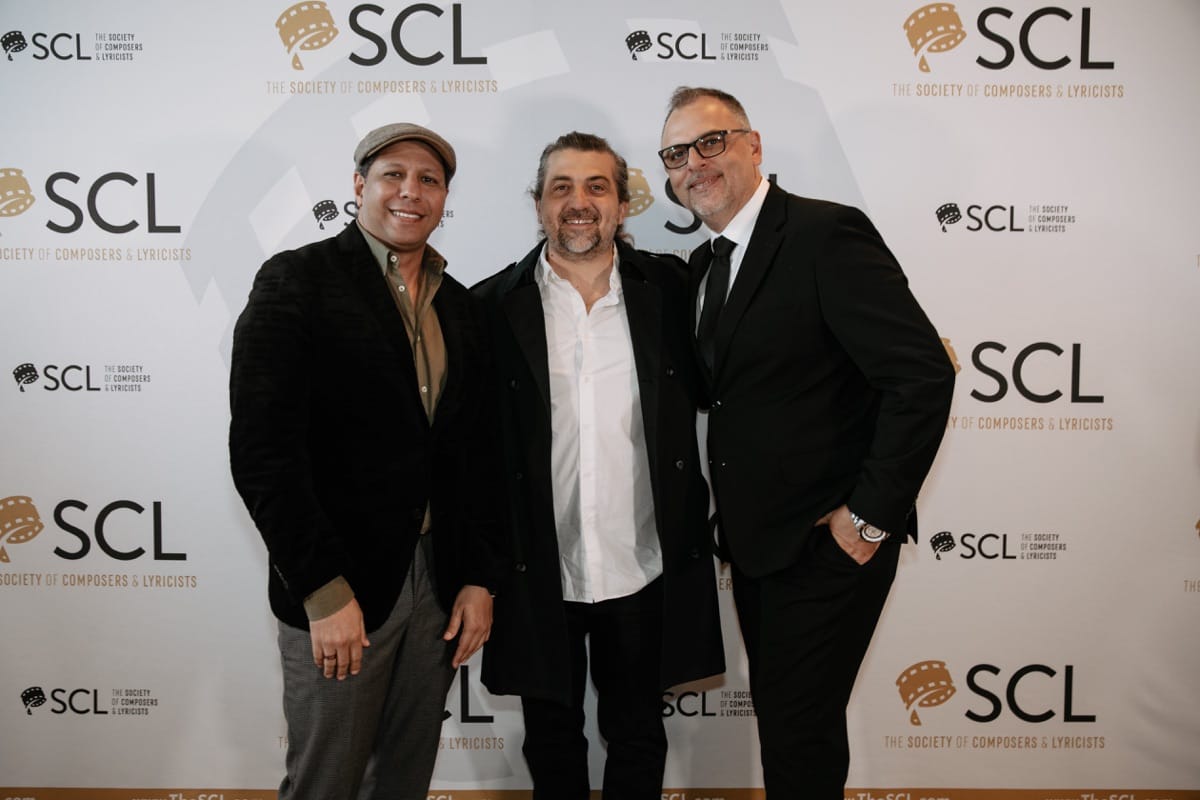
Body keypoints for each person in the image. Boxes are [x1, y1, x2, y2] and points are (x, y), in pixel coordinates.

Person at [658, 87, 955, 796]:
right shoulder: (703, 266)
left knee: (798, 738)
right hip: (755, 546)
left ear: (753, 145)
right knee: (794, 733)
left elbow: (921, 376)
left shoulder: (825, 234)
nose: (695, 163)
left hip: (827, 545)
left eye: (711, 142)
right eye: (676, 153)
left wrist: (869, 519)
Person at [229, 122, 505, 800]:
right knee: (327, 782)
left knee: (404, 779)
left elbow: (474, 456)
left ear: (444, 198)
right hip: (341, 588)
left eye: (429, 180)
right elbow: (264, 452)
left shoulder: (461, 307)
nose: (411, 191)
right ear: (359, 186)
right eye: (393, 175)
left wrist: (477, 577)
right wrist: (323, 591)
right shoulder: (298, 279)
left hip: (436, 585)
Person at [473, 131, 724, 800]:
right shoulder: (489, 307)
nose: (578, 202)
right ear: (538, 204)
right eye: (561, 187)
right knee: (551, 739)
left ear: (620, 204)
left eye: (596, 187)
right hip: (538, 570)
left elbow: (742, 378)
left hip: (641, 564)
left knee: (638, 733)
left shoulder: (672, 291)